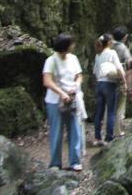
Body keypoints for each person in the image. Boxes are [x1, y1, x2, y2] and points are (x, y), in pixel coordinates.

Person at [42, 33, 83, 171]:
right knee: (56, 131)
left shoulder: (73, 58)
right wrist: (61, 93)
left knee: (75, 130)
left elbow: (79, 76)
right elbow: (47, 81)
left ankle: (75, 161)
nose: (74, 45)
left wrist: (75, 86)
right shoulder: (51, 61)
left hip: (71, 99)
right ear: (65, 46)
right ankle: (55, 163)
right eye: (71, 43)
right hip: (54, 101)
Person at [93, 33, 127, 145]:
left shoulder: (98, 55)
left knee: (99, 112)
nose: (113, 42)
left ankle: (97, 138)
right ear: (108, 42)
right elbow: (119, 69)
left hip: (99, 84)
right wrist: (124, 82)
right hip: (109, 84)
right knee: (111, 112)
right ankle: (109, 138)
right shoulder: (112, 53)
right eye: (111, 41)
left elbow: (95, 72)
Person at [112, 27, 132, 137]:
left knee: (110, 105)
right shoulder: (123, 48)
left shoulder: (108, 45)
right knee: (120, 106)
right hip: (120, 78)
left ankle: (108, 130)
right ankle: (118, 131)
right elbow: (130, 62)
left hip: (108, 78)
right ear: (124, 37)